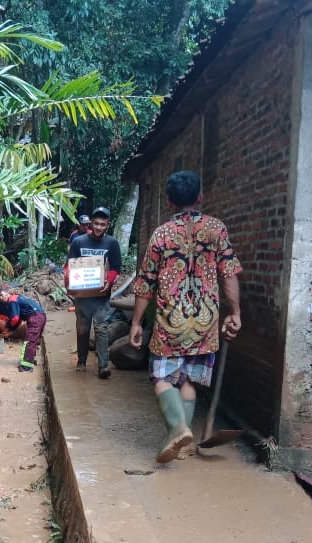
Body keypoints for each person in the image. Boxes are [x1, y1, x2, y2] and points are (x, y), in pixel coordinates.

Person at [129, 170, 242, 463]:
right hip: (205, 320)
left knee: (161, 377)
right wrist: (235, 312)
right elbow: (229, 273)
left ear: (169, 202)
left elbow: (146, 283)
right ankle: (186, 443)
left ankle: (178, 429)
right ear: (200, 197)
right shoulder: (217, 229)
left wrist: (136, 322)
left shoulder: (162, 235)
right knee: (189, 379)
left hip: (171, 320)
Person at [66, 206, 122, 377]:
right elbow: (69, 266)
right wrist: (69, 283)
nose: (99, 227)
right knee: (83, 328)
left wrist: (109, 280)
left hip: (101, 295)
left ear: (108, 225)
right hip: (82, 297)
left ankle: (103, 366)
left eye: (102, 224)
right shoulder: (79, 242)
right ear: (91, 223)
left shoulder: (112, 243)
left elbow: (116, 267)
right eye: (96, 223)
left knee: (101, 328)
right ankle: (82, 361)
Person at [0, 286, 47, 373]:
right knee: (34, 340)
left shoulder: (12, 300)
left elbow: (15, 319)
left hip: (35, 318)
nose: (1, 298)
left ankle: (26, 367)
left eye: (1, 295)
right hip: (40, 316)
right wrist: (11, 331)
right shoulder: (17, 298)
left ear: (6, 292)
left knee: (29, 341)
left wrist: (8, 328)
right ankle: (31, 360)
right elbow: (19, 319)